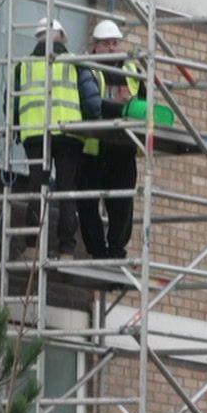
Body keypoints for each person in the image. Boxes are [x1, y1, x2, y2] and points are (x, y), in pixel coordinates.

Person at [13, 16, 98, 260]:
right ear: (60, 36)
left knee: (37, 185)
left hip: (35, 133)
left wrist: (16, 129)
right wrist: (94, 124)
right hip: (69, 134)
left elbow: (12, 102)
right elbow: (91, 100)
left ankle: (33, 247)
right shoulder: (74, 62)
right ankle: (66, 250)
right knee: (66, 189)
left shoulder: (23, 65)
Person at [78, 19, 139, 260]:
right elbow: (92, 105)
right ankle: (97, 250)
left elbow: (145, 103)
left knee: (122, 202)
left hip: (123, 147)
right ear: (96, 46)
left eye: (115, 43)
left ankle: (116, 250)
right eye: (107, 43)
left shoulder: (132, 70)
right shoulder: (89, 67)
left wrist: (131, 104)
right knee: (87, 201)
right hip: (96, 147)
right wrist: (121, 106)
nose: (113, 48)